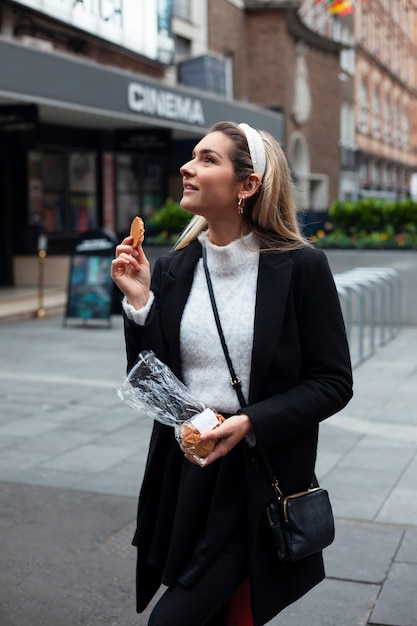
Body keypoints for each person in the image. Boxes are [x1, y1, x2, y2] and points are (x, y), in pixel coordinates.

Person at [111, 120, 353, 626]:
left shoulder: (301, 268)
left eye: (207, 159)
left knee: (173, 620)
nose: (187, 166)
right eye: (193, 156)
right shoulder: (174, 267)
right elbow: (151, 383)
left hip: (253, 481)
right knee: (227, 616)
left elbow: (333, 382)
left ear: (248, 185)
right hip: (185, 473)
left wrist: (251, 422)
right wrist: (140, 305)